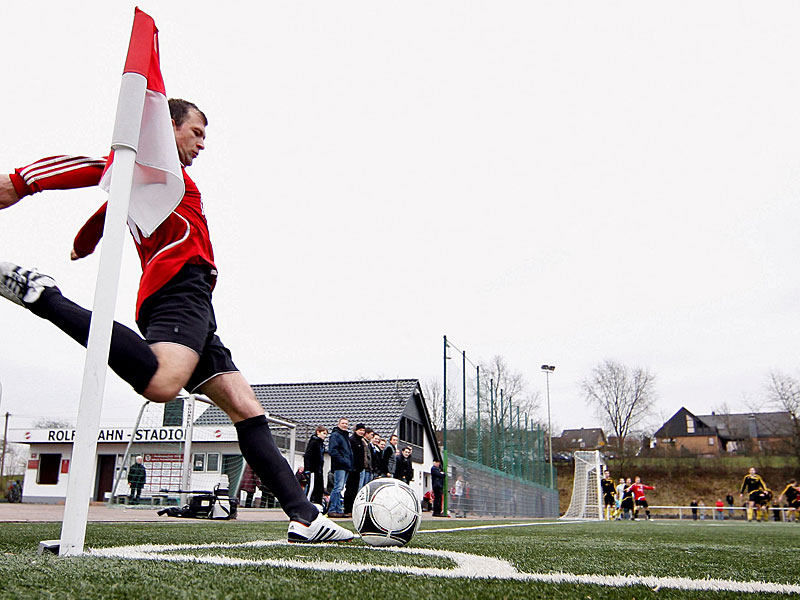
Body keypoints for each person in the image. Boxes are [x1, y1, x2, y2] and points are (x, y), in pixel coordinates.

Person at [0, 99, 351, 544]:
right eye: (196, 132)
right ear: (170, 128)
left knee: (246, 408)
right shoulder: (153, 162)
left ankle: (304, 516)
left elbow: (115, 204)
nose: (202, 144)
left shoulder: (159, 182)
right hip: (177, 290)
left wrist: (86, 240)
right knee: (163, 385)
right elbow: (97, 166)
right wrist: (21, 182)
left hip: (199, 304)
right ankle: (43, 296)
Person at [327, 418, 353, 518]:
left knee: (340, 487)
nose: (345, 425)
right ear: (338, 424)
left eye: (346, 423)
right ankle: (332, 509)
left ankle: (338, 509)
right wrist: (343, 461)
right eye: (343, 423)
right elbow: (333, 451)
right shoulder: (335, 435)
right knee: (337, 487)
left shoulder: (345, 436)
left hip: (346, 466)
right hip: (339, 466)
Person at [343, 423, 367, 515]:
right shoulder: (352, 440)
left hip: (358, 469)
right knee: (350, 489)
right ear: (356, 430)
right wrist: (352, 466)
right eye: (360, 430)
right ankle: (347, 509)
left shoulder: (361, 441)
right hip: (352, 469)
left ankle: (352, 508)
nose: (362, 432)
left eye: (363, 430)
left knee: (355, 489)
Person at [303, 426, 327, 507]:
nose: (325, 436)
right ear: (318, 432)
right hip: (313, 470)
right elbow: (308, 455)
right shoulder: (313, 442)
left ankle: (318, 505)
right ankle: (305, 505)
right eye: (323, 433)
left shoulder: (321, 444)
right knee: (311, 487)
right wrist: (308, 469)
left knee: (319, 488)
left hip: (319, 470)